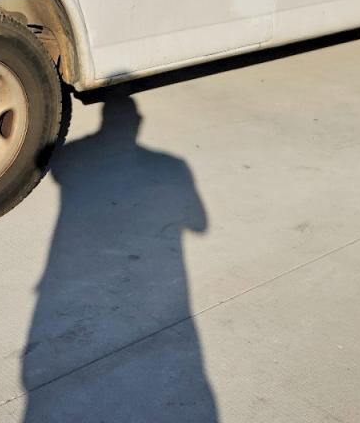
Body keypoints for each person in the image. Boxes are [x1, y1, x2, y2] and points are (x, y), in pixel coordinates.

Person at [21, 97, 217, 422]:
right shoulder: (171, 166)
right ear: (137, 124)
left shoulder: (75, 155)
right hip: (154, 282)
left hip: (64, 276)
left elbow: (47, 163)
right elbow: (199, 223)